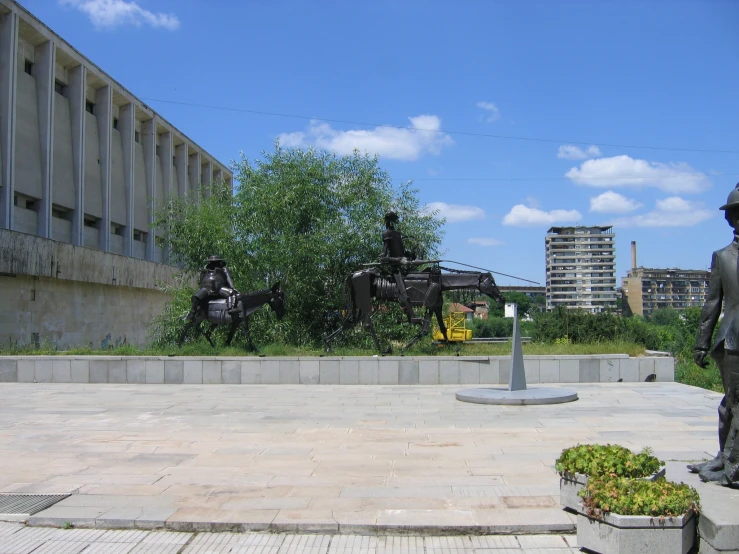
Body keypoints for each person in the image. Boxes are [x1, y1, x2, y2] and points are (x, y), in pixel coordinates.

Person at [690, 183, 739, 486]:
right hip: (732, 340)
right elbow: (712, 303)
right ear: (731, 219)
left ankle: (733, 467)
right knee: (729, 404)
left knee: (734, 403)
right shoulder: (722, 257)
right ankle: (726, 458)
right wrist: (701, 344)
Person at [379, 212, 420, 324]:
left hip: (403, 269)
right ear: (390, 221)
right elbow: (383, 257)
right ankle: (411, 317)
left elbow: (401, 253)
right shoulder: (387, 233)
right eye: (394, 220)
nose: (395, 222)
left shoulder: (397, 234)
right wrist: (398, 260)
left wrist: (409, 255)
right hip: (396, 270)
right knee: (403, 293)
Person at [184, 255, 239, 322]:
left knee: (231, 293)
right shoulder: (204, 271)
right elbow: (200, 280)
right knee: (195, 297)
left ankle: (231, 308)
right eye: (212, 262)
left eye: (215, 262)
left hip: (219, 289)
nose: (213, 264)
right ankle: (192, 312)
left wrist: (232, 287)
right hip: (206, 289)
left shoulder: (224, 270)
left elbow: (228, 278)